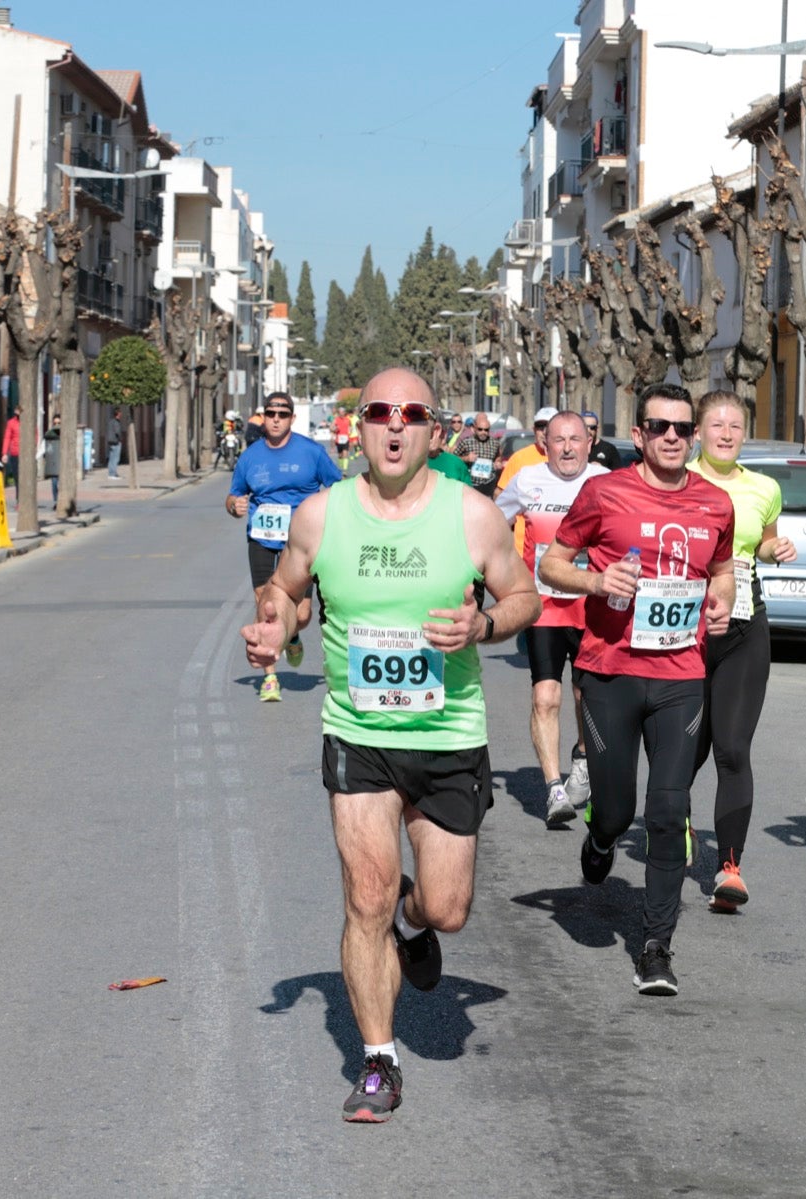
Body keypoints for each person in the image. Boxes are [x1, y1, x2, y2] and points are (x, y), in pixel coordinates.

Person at [240, 366, 539, 1122]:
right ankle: (379, 1060)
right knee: (364, 894)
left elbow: (524, 596)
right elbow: (288, 590)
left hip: (447, 733)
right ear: (360, 429)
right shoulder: (320, 515)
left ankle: (416, 922)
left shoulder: (472, 516)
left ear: (433, 431)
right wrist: (277, 625)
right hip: (358, 731)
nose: (395, 425)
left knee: (446, 907)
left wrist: (483, 625)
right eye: (379, 411)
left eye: (411, 414)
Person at [539, 383, 735, 996]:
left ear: (694, 435)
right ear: (641, 435)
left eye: (683, 428)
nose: (673, 437)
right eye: (660, 427)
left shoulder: (717, 503)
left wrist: (722, 601)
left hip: (681, 677)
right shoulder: (604, 492)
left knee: (668, 809)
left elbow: (723, 570)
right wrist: (596, 582)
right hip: (609, 671)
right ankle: (600, 838)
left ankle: (655, 946)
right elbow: (551, 563)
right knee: (618, 809)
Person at [686, 391, 792, 911]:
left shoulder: (763, 488)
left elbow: (764, 541)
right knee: (685, 748)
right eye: (716, 425)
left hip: (745, 627)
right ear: (699, 432)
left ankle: (730, 867)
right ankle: (676, 823)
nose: (726, 434)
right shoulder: (678, 480)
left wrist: (777, 549)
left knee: (731, 748)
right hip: (682, 632)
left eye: (735, 426)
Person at [494, 410, 608, 825]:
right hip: (543, 606)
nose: (566, 448)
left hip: (591, 604)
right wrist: (496, 571)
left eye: (575, 439)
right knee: (546, 696)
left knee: (586, 696)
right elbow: (493, 522)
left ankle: (582, 754)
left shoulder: (604, 481)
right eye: (558, 439)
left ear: (589, 442)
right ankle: (553, 787)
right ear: (545, 443)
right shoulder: (526, 480)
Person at [226, 391, 344, 703]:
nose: (276, 418)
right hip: (262, 537)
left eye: (283, 413)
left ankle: (292, 632)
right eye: (271, 413)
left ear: (292, 418)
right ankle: (270, 677)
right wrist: (234, 505)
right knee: (264, 603)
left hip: (300, 540)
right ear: (262, 418)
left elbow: (338, 487)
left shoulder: (311, 452)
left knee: (303, 612)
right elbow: (234, 493)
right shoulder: (250, 456)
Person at [496, 406, 557, 493]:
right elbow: (500, 493)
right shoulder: (519, 458)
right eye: (540, 427)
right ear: (534, 430)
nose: (544, 432)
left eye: (550, 427)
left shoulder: (567, 458)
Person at [455, 413, 503, 492]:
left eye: (486, 430)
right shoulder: (466, 442)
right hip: (470, 485)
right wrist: (466, 458)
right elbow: (453, 458)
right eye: (480, 429)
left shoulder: (495, 443)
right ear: (474, 428)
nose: (483, 432)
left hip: (488, 485)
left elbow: (498, 457)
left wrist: (498, 462)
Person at [425, 413, 473, 484]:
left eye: (438, 432)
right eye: (430, 432)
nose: (432, 438)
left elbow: (468, 493)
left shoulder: (457, 464)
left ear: (444, 435)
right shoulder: (411, 464)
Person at [44, 412, 62, 504]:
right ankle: (55, 501)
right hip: (54, 463)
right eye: (55, 423)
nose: (57, 425)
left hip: (62, 463)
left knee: (61, 484)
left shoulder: (65, 433)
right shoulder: (50, 433)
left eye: (59, 423)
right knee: (54, 483)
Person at [2, 406, 21, 488]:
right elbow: (7, 438)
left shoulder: (29, 422)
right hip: (15, 453)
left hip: (26, 454)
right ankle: (19, 498)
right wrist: (4, 453)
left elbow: (35, 435)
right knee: (17, 477)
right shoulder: (11, 423)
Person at [107, 408, 124, 479]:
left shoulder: (110, 422)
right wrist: (120, 439)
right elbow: (117, 432)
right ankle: (112, 474)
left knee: (111, 458)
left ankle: (111, 473)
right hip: (115, 442)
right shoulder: (117, 422)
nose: (121, 415)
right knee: (116, 458)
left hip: (110, 441)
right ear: (118, 414)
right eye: (120, 413)